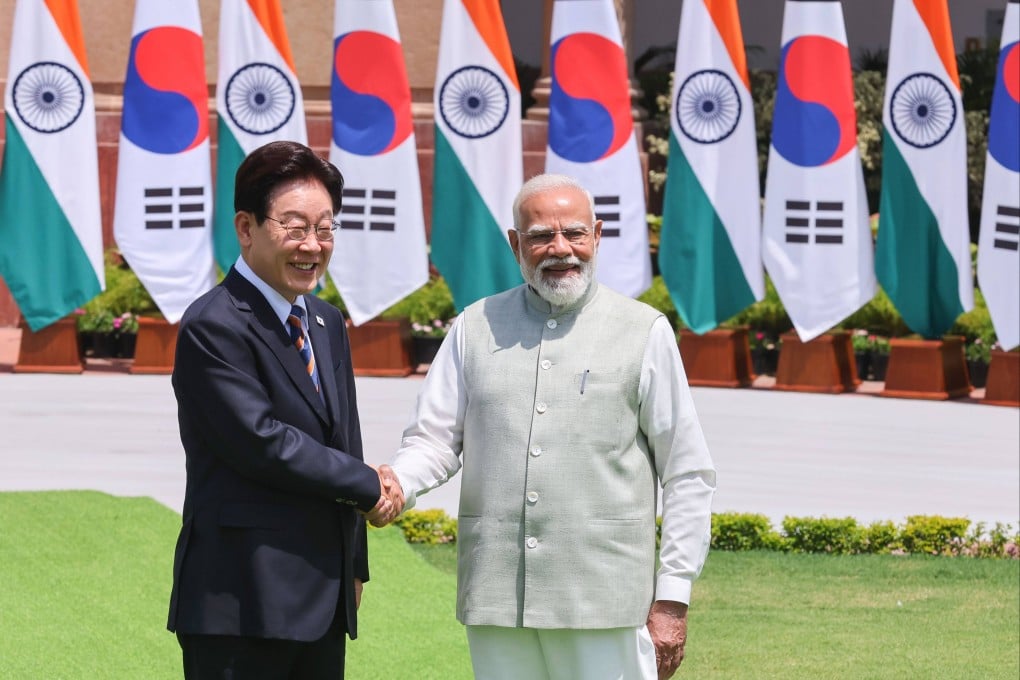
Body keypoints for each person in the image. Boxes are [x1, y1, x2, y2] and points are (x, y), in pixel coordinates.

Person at [384, 173, 716, 680]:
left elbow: (687, 473)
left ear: (598, 236)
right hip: (497, 595)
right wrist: (397, 484)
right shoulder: (475, 326)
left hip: (604, 599)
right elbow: (433, 438)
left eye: (575, 233)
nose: (560, 249)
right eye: (540, 236)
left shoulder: (644, 331)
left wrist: (673, 594)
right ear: (516, 244)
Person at [167, 140, 402, 679]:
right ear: (246, 228)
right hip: (241, 601)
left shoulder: (325, 321)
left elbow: (345, 439)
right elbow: (262, 442)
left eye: (325, 228)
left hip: (322, 598)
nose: (313, 245)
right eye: (295, 227)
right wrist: (370, 485)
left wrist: (355, 565)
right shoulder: (214, 325)